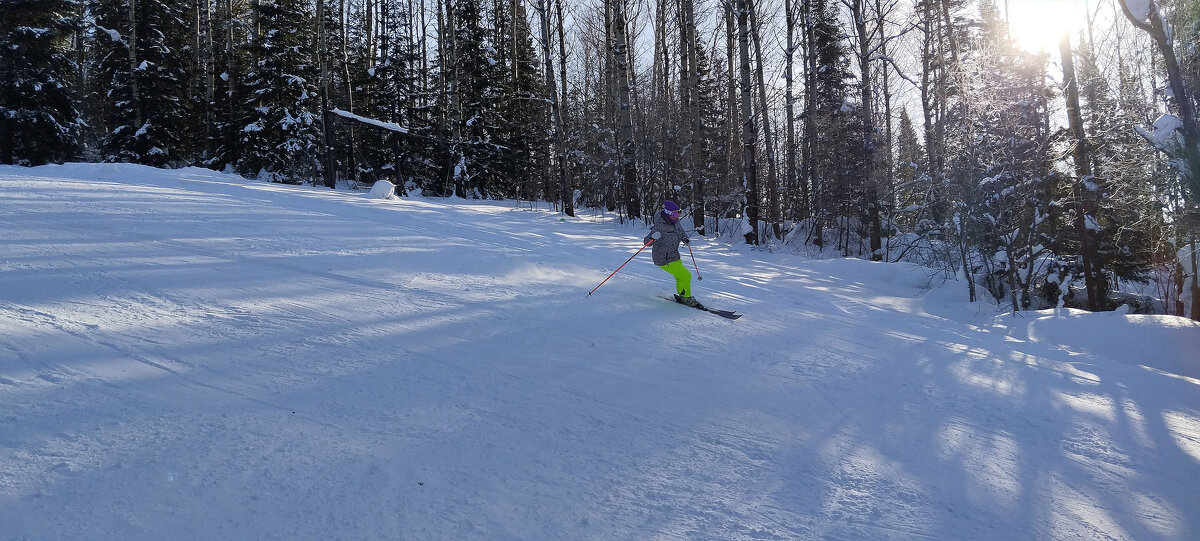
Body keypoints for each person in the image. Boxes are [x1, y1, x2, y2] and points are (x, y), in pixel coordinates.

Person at [644, 200, 700, 307]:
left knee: (680, 277)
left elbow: (681, 231)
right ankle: (686, 297)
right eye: (675, 213)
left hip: (674, 255)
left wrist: (685, 239)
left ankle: (682, 295)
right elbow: (646, 242)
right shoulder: (659, 226)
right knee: (686, 275)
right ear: (668, 213)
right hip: (663, 258)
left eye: (679, 213)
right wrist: (652, 238)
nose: (677, 216)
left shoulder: (675, 222)